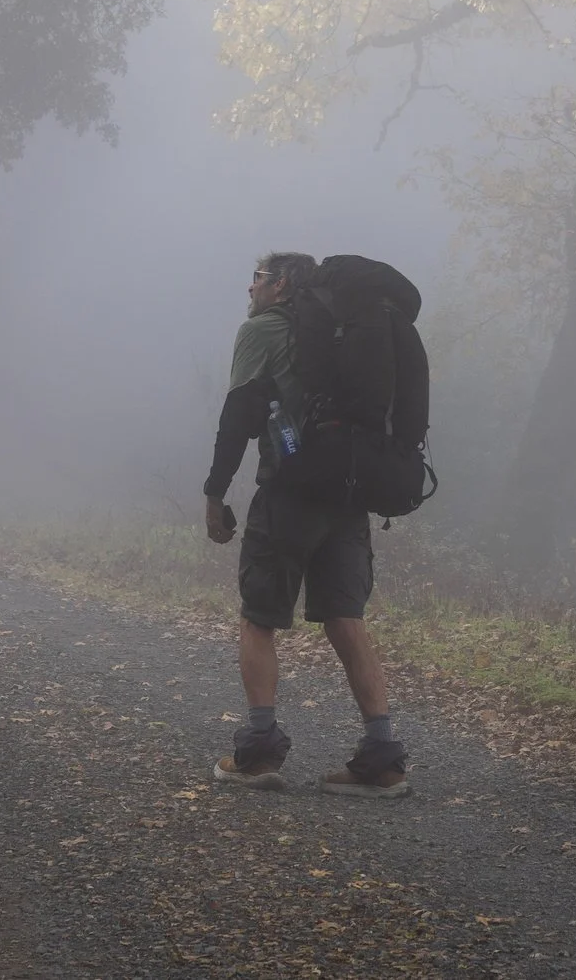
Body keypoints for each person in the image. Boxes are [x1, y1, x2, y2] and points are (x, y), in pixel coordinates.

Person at [202, 251, 410, 797]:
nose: (249, 289)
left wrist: (214, 492)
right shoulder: (347, 332)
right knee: (346, 618)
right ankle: (382, 759)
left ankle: (258, 753)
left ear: (282, 284)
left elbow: (239, 416)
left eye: (258, 279)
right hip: (349, 491)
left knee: (258, 617)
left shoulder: (265, 331)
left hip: (290, 493)